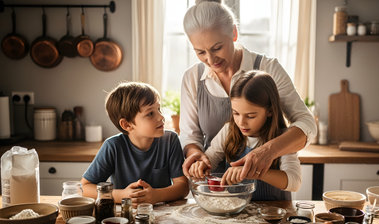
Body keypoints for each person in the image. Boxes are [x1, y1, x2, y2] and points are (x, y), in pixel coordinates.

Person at [180, 0, 316, 181]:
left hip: (272, 201)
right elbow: (191, 137)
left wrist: (266, 152)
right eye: (201, 52)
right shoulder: (192, 78)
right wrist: (197, 155)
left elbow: (307, 123)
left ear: (234, 33)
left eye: (217, 48)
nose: (211, 60)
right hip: (218, 192)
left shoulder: (268, 68)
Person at [187, 71, 301, 200]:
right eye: (236, 113)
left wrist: (253, 171)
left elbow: (294, 182)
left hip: (272, 215)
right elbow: (210, 159)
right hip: (236, 210)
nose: (241, 122)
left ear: (269, 111)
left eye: (250, 116)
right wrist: (200, 166)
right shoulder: (229, 130)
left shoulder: (283, 138)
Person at [81, 82, 189, 205]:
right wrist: (120, 195)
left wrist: (156, 196)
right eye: (150, 113)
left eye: (158, 109)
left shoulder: (170, 140)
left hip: (164, 215)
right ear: (127, 125)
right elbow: (85, 187)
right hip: (125, 216)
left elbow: (183, 187)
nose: (161, 117)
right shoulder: (113, 147)